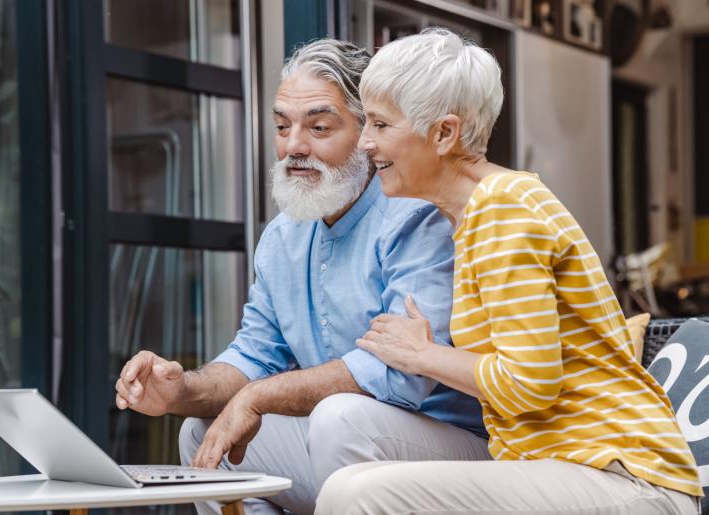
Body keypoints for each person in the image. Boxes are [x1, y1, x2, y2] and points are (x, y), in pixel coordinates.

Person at [315, 28, 702, 515]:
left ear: (444, 134)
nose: (365, 143)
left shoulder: (503, 210)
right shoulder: (472, 213)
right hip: (558, 464)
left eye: (380, 125)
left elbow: (528, 383)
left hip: (628, 479)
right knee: (350, 459)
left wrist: (422, 354)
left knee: (353, 494)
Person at [114, 39, 488, 515]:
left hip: (454, 455)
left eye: (319, 127)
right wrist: (180, 390)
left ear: (367, 134)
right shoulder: (283, 238)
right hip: (348, 444)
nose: (294, 146)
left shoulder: (417, 218)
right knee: (202, 431)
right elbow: (255, 355)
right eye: (282, 126)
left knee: (341, 418)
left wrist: (259, 396)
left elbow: (400, 376)